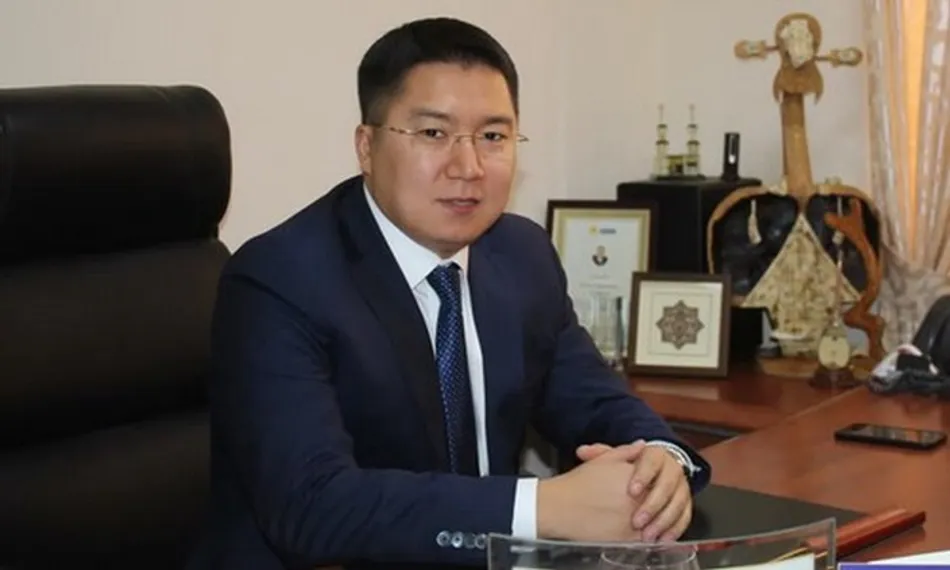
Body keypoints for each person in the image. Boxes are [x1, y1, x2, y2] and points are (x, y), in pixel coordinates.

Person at [186, 16, 711, 570]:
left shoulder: (521, 253)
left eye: (493, 137)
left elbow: (594, 399)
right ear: (366, 147)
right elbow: (313, 506)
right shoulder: (279, 280)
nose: (469, 167)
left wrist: (661, 463)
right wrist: (541, 507)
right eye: (433, 134)